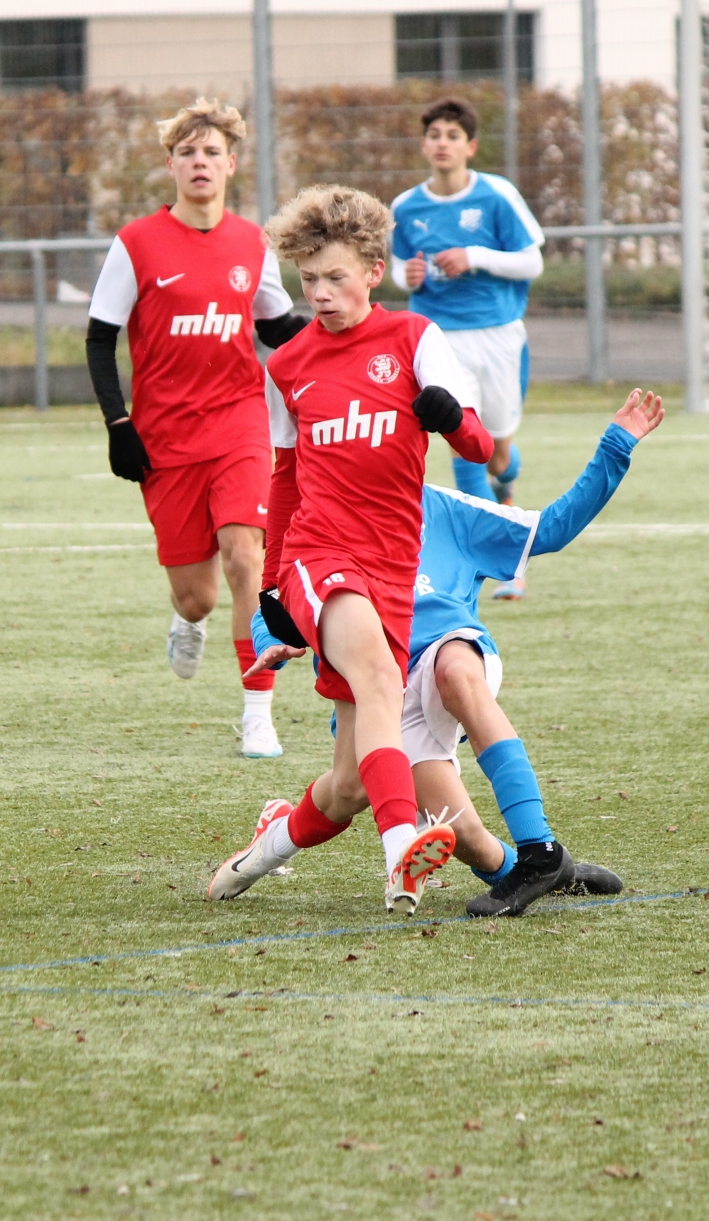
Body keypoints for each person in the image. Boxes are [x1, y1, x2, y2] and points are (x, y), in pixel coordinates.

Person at [212, 390, 664, 917]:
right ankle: (273, 843)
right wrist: (271, 639)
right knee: (408, 814)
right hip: (382, 696)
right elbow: (276, 598)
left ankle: (540, 849)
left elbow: (550, 528)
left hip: (448, 652)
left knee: (455, 670)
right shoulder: (319, 525)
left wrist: (615, 447)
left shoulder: (446, 509)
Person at [252, 183, 495, 916]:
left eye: (334, 277)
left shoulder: (415, 339)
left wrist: (450, 418)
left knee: (349, 784)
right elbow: (285, 478)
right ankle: (401, 856)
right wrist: (272, 590)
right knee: (384, 681)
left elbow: (478, 446)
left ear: (374, 271)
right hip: (320, 554)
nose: (319, 294)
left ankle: (259, 853)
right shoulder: (287, 365)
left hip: (391, 564)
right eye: (308, 280)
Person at [85, 99, 311, 758]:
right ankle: (188, 622)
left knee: (246, 557)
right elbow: (99, 339)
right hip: (165, 438)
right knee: (197, 597)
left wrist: (339, 335)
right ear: (171, 166)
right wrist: (118, 423)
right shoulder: (136, 243)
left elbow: (276, 326)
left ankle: (257, 714)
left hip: (240, 422)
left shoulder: (251, 243)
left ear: (231, 164)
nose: (200, 162)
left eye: (212, 152)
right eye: (187, 152)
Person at [391, 96, 545, 601]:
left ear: (470, 147)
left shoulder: (497, 196)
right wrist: (407, 275)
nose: (443, 143)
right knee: (464, 445)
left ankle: (507, 480)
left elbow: (531, 262)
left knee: (497, 451)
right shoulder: (405, 207)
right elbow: (396, 267)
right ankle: (504, 566)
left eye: (453, 136)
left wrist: (473, 256)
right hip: (439, 339)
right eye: (434, 135)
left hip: (497, 336)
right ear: (423, 144)